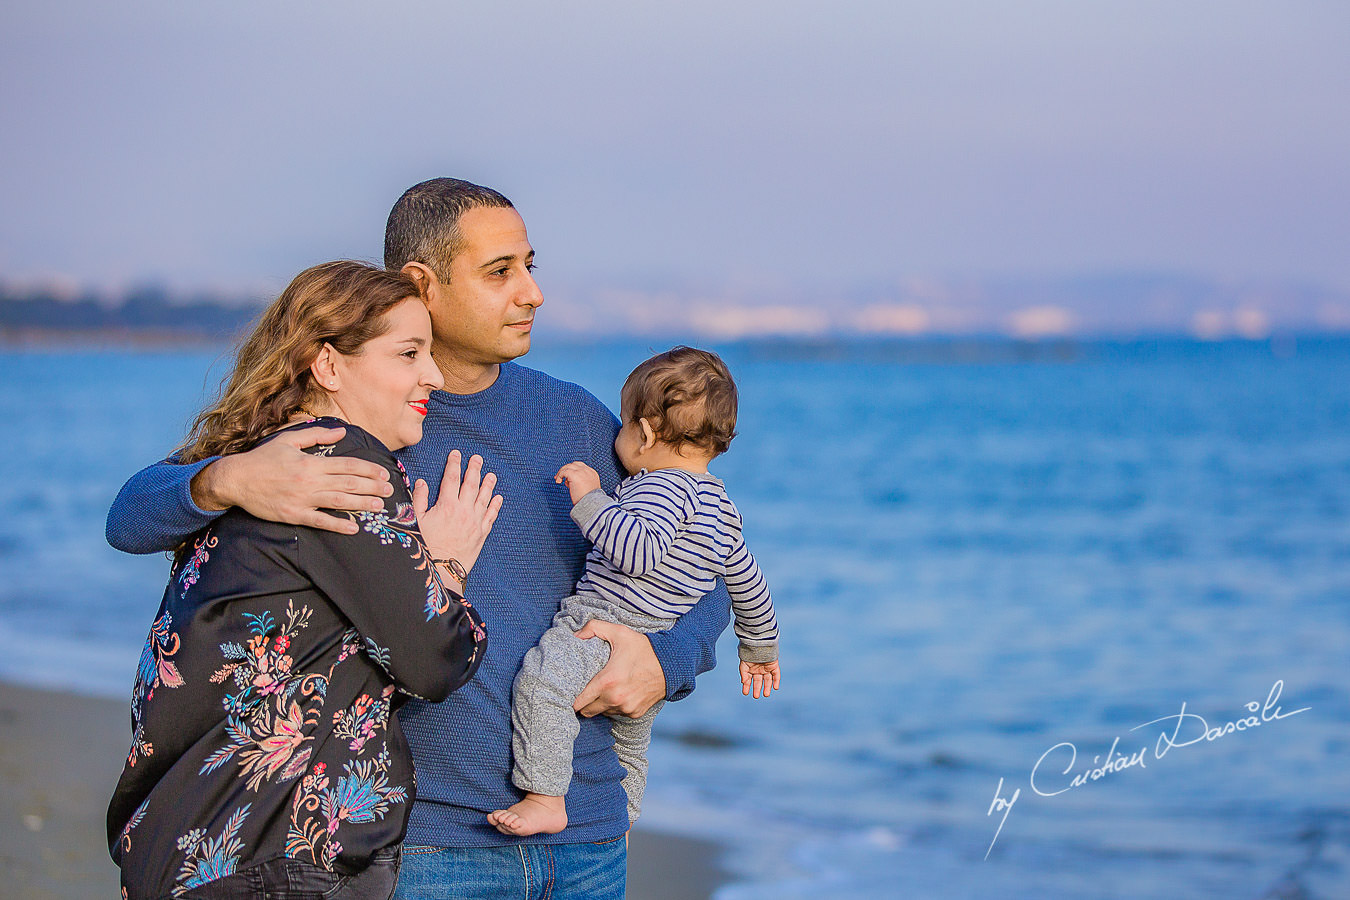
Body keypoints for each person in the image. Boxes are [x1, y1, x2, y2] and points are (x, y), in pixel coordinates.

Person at [105, 178, 732, 899]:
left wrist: (666, 658)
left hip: (585, 833)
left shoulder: (578, 419)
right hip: (425, 847)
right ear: (420, 283)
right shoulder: (361, 421)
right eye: (500, 272)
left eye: (531, 265)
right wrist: (226, 480)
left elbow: (705, 560)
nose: (531, 292)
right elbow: (131, 515)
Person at [106, 261, 496, 900]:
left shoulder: (264, 449)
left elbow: (126, 516)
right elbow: (435, 660)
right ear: (329, 365)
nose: (433, 375)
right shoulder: (342, 465)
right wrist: (445, 566)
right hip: (279, 855)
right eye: (409, 353)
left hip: (185, 842)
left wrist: (223, 477)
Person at [488, 346, 780, 837]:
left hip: (601, 627)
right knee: (630, 738)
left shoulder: (658, 487)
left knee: (541, 683)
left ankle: (544, 796)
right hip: (651, 644)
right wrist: (758, 648)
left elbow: (636, 550)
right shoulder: (723, 506)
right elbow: (748, 583)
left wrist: (590, 498)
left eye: (624, 426)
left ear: (644, 434)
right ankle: (623, 812)